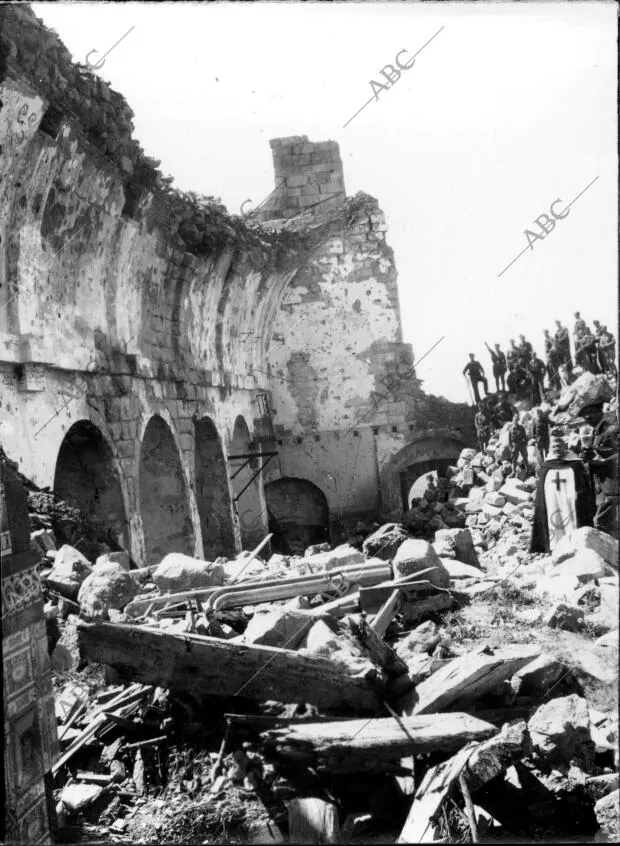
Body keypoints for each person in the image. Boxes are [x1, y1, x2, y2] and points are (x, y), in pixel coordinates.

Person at [530, 431, 597, 553]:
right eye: (554, 446)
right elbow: (540, 493)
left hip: (571, 505)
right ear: (550, 449)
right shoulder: (546, 467)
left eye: (559, 446)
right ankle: (556, 548)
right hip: (552, 504)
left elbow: (585, 487)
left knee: (573, 525)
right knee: (554, 525)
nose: (557, 448)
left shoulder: (575, 464)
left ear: (565, 447)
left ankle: (577, 546)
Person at [578, 401, 619, 539]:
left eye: (591, 413)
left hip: (611, 486)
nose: (587, 417)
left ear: (600, 413)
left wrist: (602, 461)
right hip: (601, 486)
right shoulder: (597, 432)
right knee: (607, 525)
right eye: (585, 415)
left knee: (601, 523)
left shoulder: (611, 429)